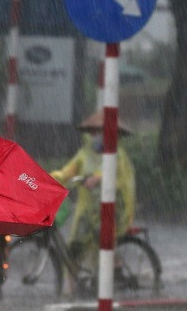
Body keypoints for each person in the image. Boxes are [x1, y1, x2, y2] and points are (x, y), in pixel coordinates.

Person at [50, 109, 136, 272]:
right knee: (75, 247)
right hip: (89, 211)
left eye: (100, 132)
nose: (96, 135)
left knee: (102, 237)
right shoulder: (84, 155)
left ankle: (115, 270)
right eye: (93, 132)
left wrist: (98, 178)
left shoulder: (117, 156)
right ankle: (70, 291)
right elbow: (67, 173)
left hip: (113, 209)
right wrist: (47, 179)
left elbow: (119, 178)